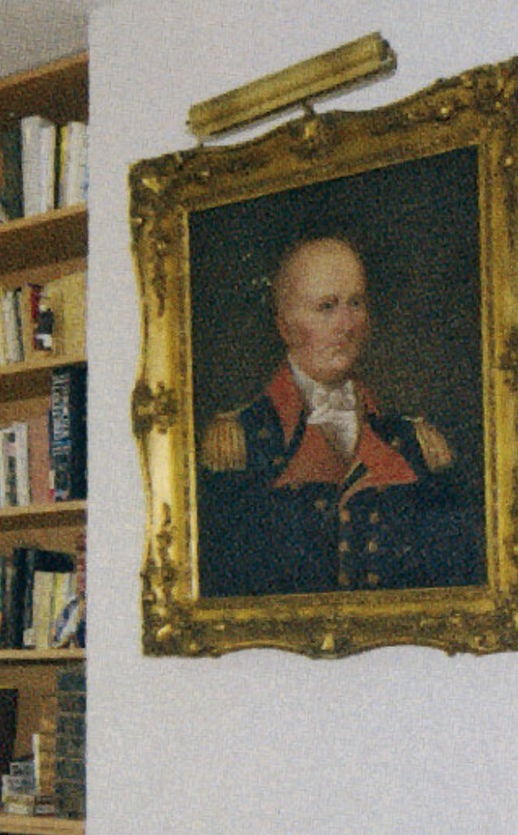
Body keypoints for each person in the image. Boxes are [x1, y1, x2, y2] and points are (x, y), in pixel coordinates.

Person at [195, 234, 476, 598]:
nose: (347, 324)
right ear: (284, 326)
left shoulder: (413, 443)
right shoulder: (242, 441)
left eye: (355, 303)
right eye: (326, 307)